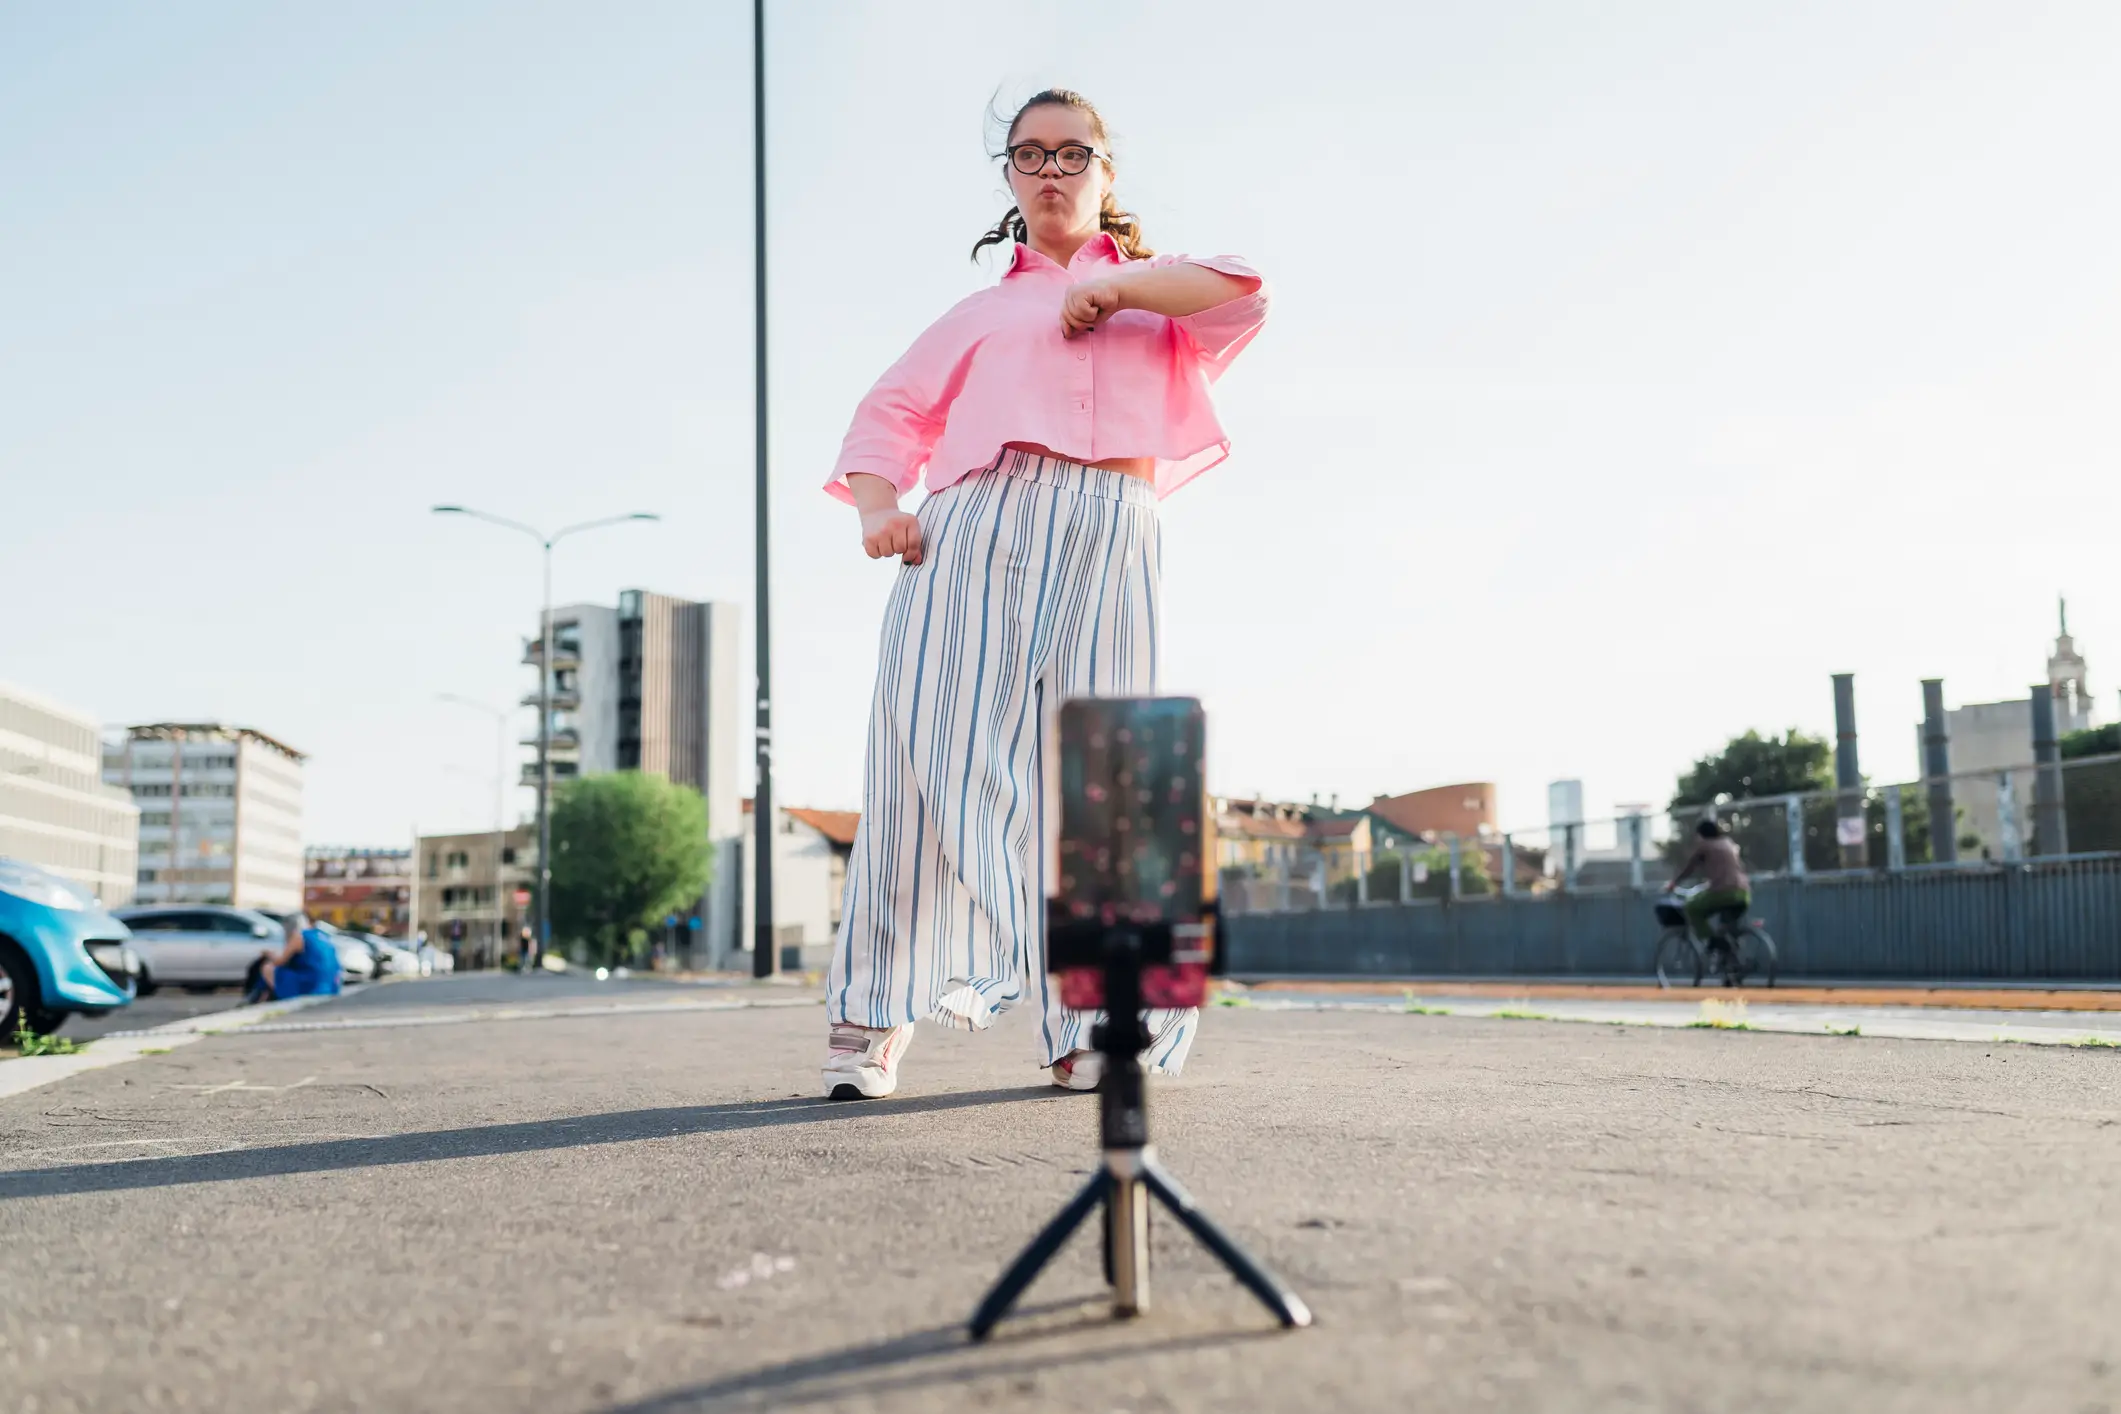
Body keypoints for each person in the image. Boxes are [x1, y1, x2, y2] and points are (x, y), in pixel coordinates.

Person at [820, 89, 1269, 1101]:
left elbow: (1248, 289)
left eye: (1074, 154)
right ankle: (871, 1014)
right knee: (920, 760)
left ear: (1108, 172)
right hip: (978, 522)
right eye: (1030, 156)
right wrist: (877, 510)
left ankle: (1092, 1025)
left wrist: (1119, 295)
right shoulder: (977, 312)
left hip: (1115, 527)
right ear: (1010, 180)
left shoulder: (1162, 293)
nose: (1052, 171)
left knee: (1108, 774)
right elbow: (883, 419)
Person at [1667, 819, 1752, 942]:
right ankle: (1730, 954)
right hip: (1744, 893)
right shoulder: (1728, 843)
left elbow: (1690, 867)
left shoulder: (1706, 846)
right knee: (1726, 927)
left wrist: (1674, 882)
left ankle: (1713, 942)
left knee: (1691, 908)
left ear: (1701, 834)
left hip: (1724, 893)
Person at [246, 911, 341, 1003]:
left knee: (268, 968)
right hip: (331, 985)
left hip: (312, 984)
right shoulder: (322, 936)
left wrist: (269, 954)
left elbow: (280, 961)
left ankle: (275, 996)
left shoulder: (299, 936)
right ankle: (264, 995)